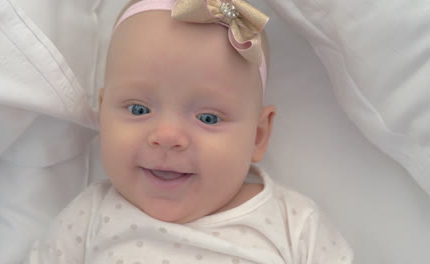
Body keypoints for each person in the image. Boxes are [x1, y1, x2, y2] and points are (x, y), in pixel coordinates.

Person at [25, 0, 353, 263]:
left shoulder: (293, 223)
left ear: (257, 137)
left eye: (208, 118)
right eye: (139, 109)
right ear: (103, 115)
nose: (167, 136)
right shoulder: (89, 217)